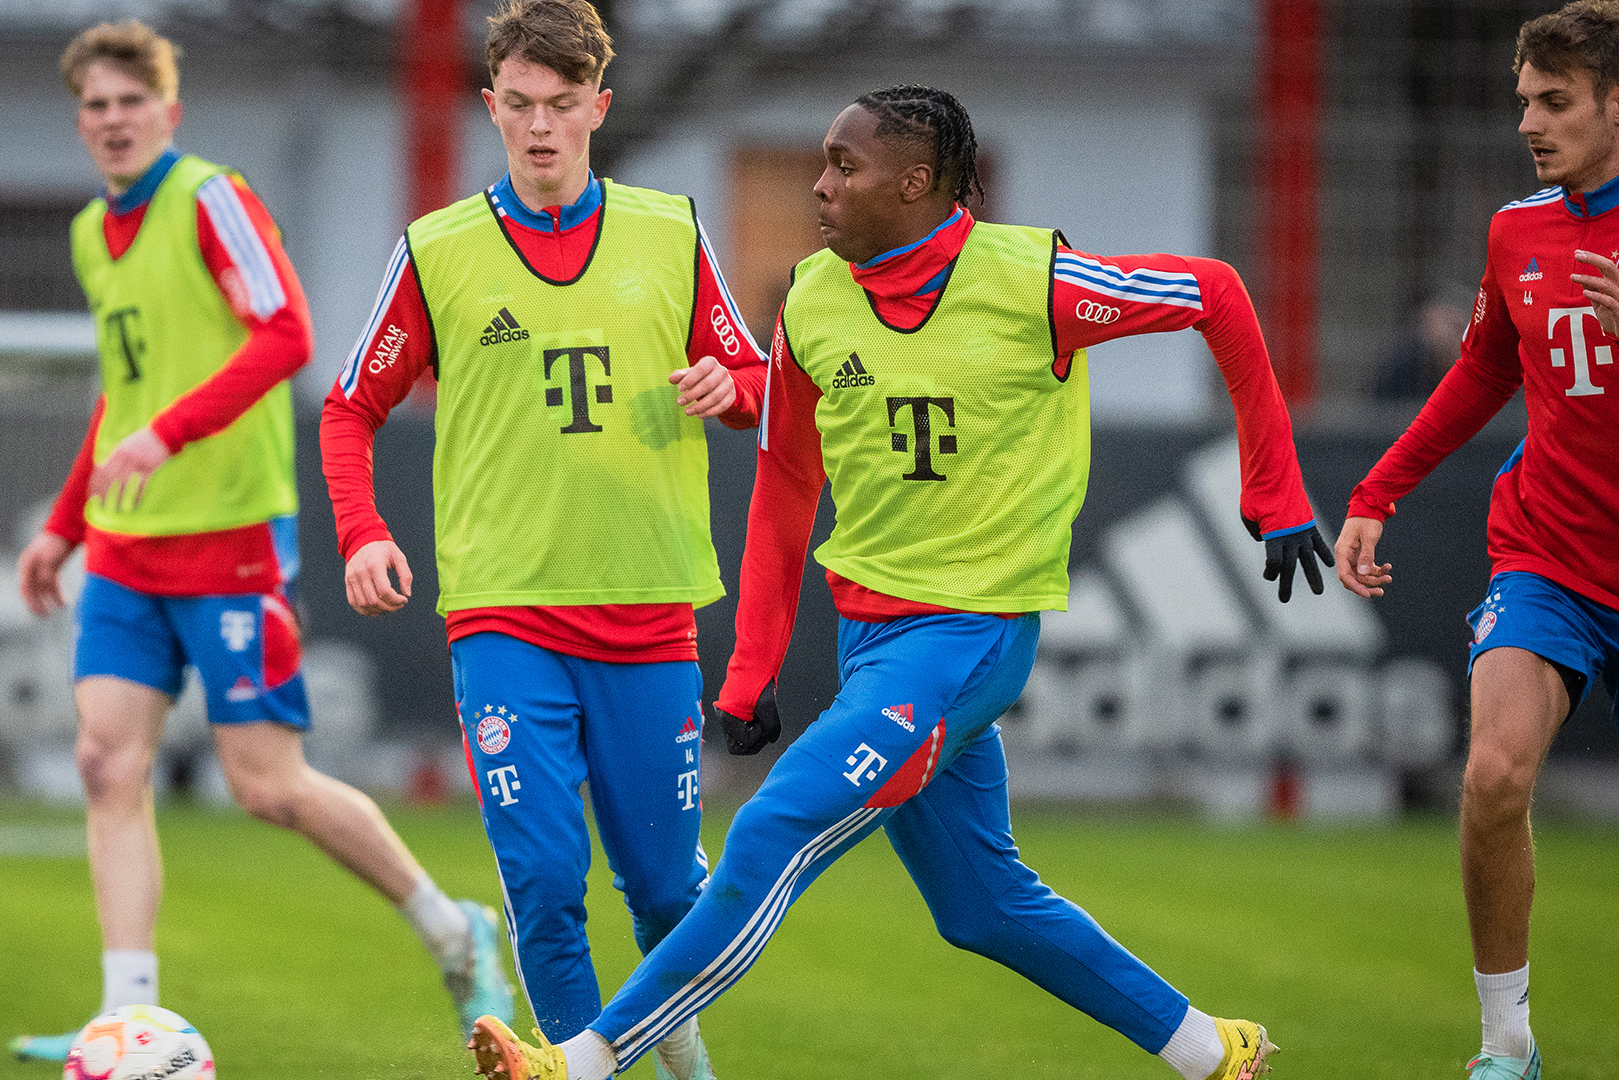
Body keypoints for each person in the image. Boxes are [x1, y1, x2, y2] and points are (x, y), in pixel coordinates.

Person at [468, 84, 1335, 1080]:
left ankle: (580, 1063)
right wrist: (751, 669)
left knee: (772, 828)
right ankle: (1211, 1051)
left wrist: (1274, 489)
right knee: (984, 906)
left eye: (845, 165)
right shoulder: (814, 301)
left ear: (918, 183)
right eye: (823, 163)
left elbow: (1217, 294)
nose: (820, 184)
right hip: (872, 642)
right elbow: (787, 482)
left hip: (969, 638)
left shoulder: (1036, 280)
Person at [9, 19, 511, 1061]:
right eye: (94, 106)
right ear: (80, 121)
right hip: (126, 549)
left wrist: (168, 432)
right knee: (107, 763)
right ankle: (126, 1016)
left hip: (228, 539)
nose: (111, 121)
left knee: (266, 784)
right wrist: (63, 529)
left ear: (167, 111)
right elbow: (124, 395)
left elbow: (285, 332)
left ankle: (452, 927)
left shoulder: (210, 201)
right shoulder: (88, 233)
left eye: (128, 102)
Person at [320, 2, 768, 1076]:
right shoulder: (440, 250)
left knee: (669, 893)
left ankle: (684, 1063)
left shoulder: (670, 230)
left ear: (598, 108)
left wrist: (733, 387)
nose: (539, 128)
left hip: (647, 610)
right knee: (542, 882)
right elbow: (348, 408)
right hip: (505, 617)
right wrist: (361, 531)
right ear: (491, 106)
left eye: (562, 106)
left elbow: (759, 384)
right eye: (518, 105)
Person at [1334, 4, 1619, 1078]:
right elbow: (1483, 371)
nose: (1531, 124)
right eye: (1523, 103)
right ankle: (1507, 1047)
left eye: (1555, 102)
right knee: (1493, 776)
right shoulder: (1520, 229)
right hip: (1550, 551)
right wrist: (1379, 486)